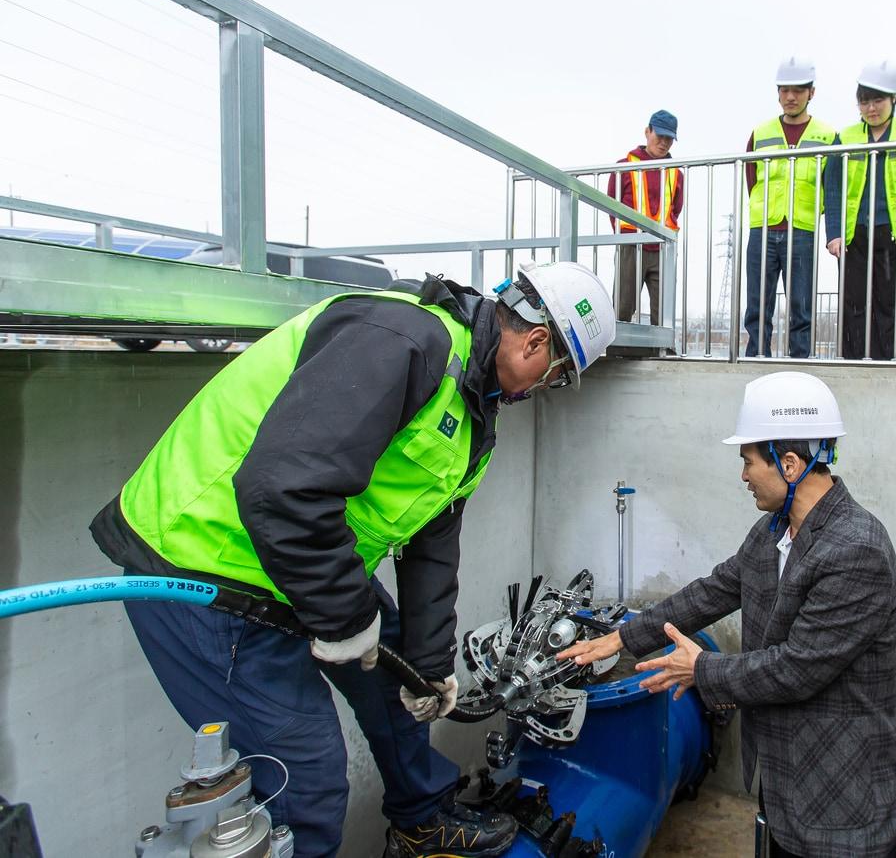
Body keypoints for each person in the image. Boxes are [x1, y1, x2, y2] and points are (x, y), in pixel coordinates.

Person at [89, 262, 617, 858]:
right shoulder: (402, 341)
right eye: (555, 376)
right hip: (204, 571)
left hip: (298, 566)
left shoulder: (473, 414)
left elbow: (432, 546)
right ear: (536, 342)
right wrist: (344, 618)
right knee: (303, 784)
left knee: (398, 687)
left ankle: (423, 820)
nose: (543, 388)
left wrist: (429, 665)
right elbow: (280, 488)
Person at [558, 372, 896, 857]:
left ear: (789, 464)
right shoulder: (773, 532)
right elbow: (715, 590)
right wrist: (621, 638)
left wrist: (701, 669)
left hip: (838, 800)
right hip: (784, 784)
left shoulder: (856, 549)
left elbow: (796, 669)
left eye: (748, 461)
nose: (743, 476)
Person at [821, 61, 896, 360]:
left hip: (895, 233)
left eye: (878, 100)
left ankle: (889, 364)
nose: (871, 108)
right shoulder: (846, 137)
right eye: (864, 101)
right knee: (854, 305)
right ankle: (854, 364)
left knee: (891, 305)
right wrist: (834, 232)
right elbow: (833, 187)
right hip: (855, 233)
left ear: (893, 98)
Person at [743, 56, 837, 358]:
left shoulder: (827, 136)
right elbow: (751, 179)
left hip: (802, 229)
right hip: (763, 228)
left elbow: (832, 186)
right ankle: (757, 359)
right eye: (785, 90)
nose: (791, 97)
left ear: (812, 93)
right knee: (757, 305)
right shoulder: (760, 133)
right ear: (778, 93)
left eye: (798, 90)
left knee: (801, 306)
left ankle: (800, 364)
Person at [609, 109, 684, 326]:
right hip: (631, 245)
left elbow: (676, 208)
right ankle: (617, 345)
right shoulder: (624, 166)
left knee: (663, 313)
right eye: (660, 136)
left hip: (661, 248)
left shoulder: (675, 172)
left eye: (669, 138)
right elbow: (611, 204)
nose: (664, 142)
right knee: (622, 308)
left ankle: (662, 347)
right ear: (647, 132)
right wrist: (625, 235)